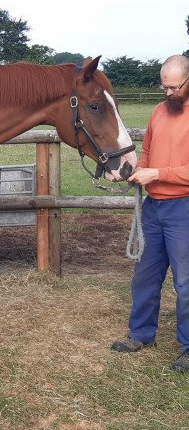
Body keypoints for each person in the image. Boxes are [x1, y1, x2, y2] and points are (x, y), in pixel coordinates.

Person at [112, 54, 189, 372]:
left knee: (186, 282)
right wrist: (132, 170)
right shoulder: (159, 111)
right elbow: (146, 153)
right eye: (164, 86)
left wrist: (156, 174)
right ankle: (142, 334)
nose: (167, 93)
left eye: (173, 87)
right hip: (153, 209)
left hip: (183, 208)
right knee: (145, 276)